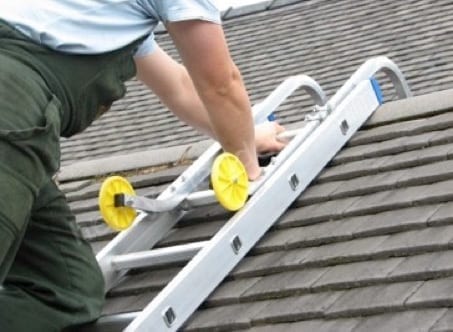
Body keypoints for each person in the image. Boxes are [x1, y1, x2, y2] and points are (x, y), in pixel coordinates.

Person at [0, 1, 287, 331]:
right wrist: (249, 171)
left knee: (65, 291)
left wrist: (246, 136)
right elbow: (220, 83)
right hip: (10, 113)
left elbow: (179, 85)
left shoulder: (108, 17)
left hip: (21, 132)